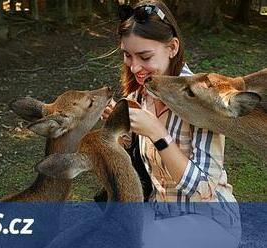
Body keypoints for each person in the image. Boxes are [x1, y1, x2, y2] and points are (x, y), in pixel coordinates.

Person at [100, 1, 241, 247]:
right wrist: (123, 136)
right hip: (160, 216)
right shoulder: (137, 98)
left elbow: (204, 191)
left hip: (210, 221)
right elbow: (138, 170)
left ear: (172, 48)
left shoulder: (202, 100)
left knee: (142, 238)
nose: (134, 67)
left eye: (145, 56)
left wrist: (157, 132)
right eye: (127, 55)